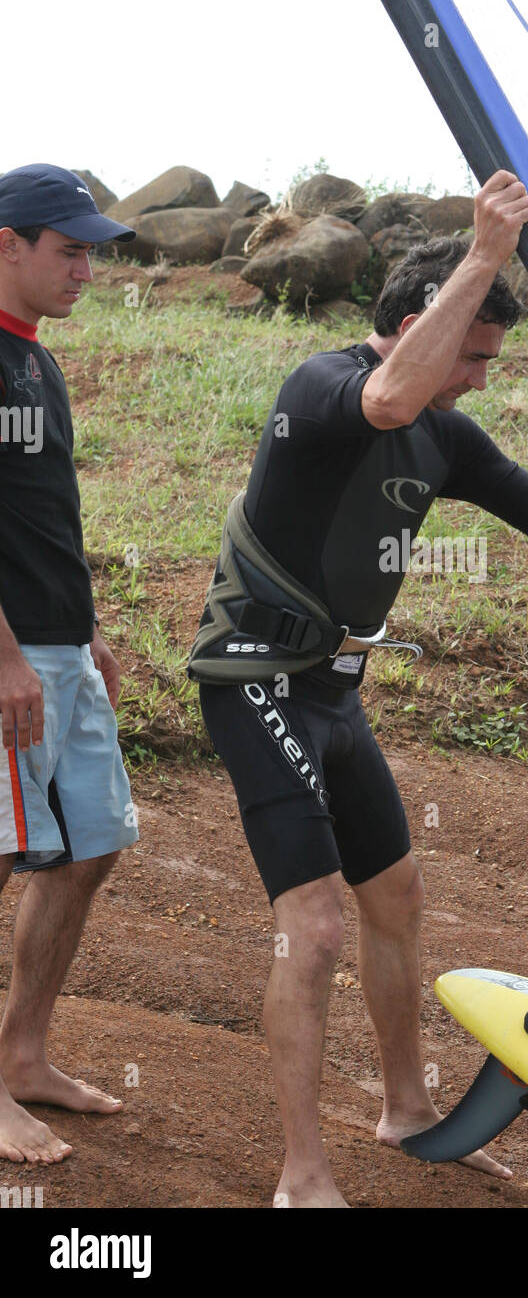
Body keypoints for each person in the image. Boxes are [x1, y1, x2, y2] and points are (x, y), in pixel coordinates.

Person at [194, 170, 528, 1207]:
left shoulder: (444, 436)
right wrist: (483, 254)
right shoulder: (323, 388)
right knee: (315, 925)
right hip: (254, 681)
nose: (476, 377)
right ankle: (299, 1173)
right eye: (470, 351)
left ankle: (406, 1105)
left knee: (397, 897)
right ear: (424, 320)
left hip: (331, 691)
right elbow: (385, 395)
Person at [0, 164, 139, 1165]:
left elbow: (40, 508)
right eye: (70, 248)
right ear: (7, 242)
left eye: (92, 250)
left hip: (60, 647)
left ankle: (23, 1055)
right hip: (8, 657)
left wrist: (84, 623)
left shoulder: (35, 362)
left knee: (92, 844)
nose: (86, 267)